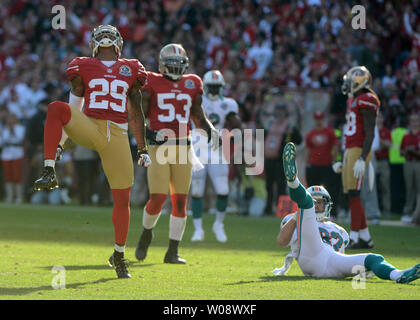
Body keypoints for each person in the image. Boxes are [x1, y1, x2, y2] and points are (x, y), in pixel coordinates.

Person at [33, 25, 150, 278]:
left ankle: (119, 254)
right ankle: (49, 169)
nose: (106, 40)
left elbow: (135, 112)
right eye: (102, 36)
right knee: (55, 108)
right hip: (91, 126)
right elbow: (71, 107)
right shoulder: (83, 65)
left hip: (117, 135)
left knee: (122, 198)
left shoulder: (131, 68)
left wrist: (142, 147)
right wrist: (61, 145)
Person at [273, 142, 420, 284]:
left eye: (320, 202)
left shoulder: (340, 230)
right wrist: (298, 214)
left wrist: (364, 268)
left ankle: (399, 275)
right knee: (306, 205)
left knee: (373, 258)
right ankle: (293, 182)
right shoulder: (297, 218)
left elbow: (339, 255)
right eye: (314, 201)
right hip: (312, 258)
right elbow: (282, 241)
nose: (317, 205)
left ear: (328, 205)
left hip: (334, 263)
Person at [134, 43, 219, 264]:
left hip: (184, 147)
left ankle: (173, 251)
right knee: (158, 198)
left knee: (180, 201)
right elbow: (141, 112)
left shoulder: (193, 82)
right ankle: (147, 232)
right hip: (158, 146)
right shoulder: (151, 81)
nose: (176, 67)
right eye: (171, 63)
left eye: (179, 63)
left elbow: (197, 114)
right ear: (162, 64)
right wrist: (141, 137)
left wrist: (210, 130)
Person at [190, 70, 242, 242]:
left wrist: (235, 125)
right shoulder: (196, 99)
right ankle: (198, 229)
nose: (213, 91)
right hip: (197, 148)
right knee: (196, 190)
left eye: (216, 87)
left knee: (223, 190)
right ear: (205, 86)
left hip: (216, 149)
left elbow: (236, 125)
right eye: (210, 87)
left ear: (221, 88)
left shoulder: (228, 103)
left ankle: (219, 224)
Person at [332, 66, 379, 249]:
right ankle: (366, 238)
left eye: (351, 81)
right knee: (351, 193)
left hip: (359, 149)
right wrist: (342, 157)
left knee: (355, 193)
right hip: (351, 149)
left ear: (361, 81)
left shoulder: (368, 99)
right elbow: (349, 132)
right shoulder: (353, 99)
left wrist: (362, 157)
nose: (348, 84)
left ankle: (354, 236)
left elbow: (370, 133)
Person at [264, 103, 302, 215]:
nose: (279, 113)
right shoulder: (270, 124)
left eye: (281, 110)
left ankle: (280, 209)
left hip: (281, 160)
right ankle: (268, 209)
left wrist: (292, 133)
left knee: (281, 185)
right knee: (269, 185)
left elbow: (298, 140)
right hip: (269, 159)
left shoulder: (289, 126)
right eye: (278, 110)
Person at [304, 110, 338, 218]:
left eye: (320, 119)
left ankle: (331, 212)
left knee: (329, 190)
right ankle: (313, 212)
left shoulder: (329, 132)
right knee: (312, 190)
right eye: (317, 119)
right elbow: (307, 150)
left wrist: (333, 160)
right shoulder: (311, 134)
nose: (319, 121)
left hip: (326, 165)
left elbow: (335, 147)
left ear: (323, 119)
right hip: (314, 165)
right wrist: (306, 163)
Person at [400, 113, 420, 225]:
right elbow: (401, 151)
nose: (414, 123)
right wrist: (407, 150)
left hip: (418, 163)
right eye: (412, 121)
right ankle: (408, 212)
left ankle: (416, 214)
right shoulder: (406, 136)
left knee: (418, 189)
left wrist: (414, 150)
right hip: (408, 162)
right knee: (409, 188)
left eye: (416, 121)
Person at [1, 113, 25, 203]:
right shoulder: (4, 129)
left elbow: (19, 139)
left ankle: (18, 196)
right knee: (8, 175)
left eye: (12, 118)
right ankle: (9, 196)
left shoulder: (20, 128)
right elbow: (3, 140)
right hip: (6, 153)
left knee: (16, 175)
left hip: (17, 152)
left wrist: (12, 130)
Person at [374, 112, 392, 218]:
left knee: (385, 186)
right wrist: (381, 143)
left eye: (380, 117)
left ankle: (386, 210)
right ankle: (375, 210)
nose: (378, 119)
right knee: (372, 187)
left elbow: (389, 144)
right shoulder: (371, 129)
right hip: (373, 160)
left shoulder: (386, 131)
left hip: (383, 161)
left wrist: (380, 142)